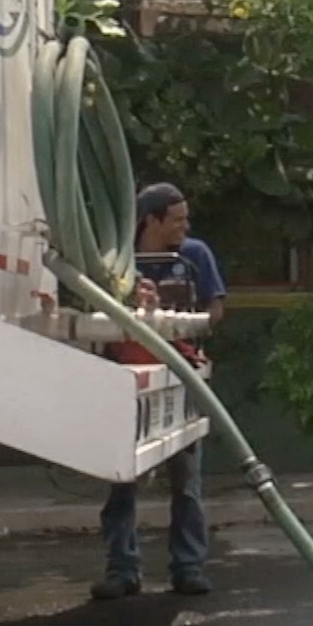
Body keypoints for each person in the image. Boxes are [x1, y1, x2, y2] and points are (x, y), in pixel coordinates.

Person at [91, 183, 227, 601]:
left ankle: (188, 567)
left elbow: (216, 307)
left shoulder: (195, 256)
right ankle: (122, 569)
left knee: (185, 481)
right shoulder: (120, 261)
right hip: (126, 378)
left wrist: (193, 328)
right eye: (177, 219)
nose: (185, 226)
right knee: (122, 479)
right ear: (151, 220)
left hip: (179, 373)